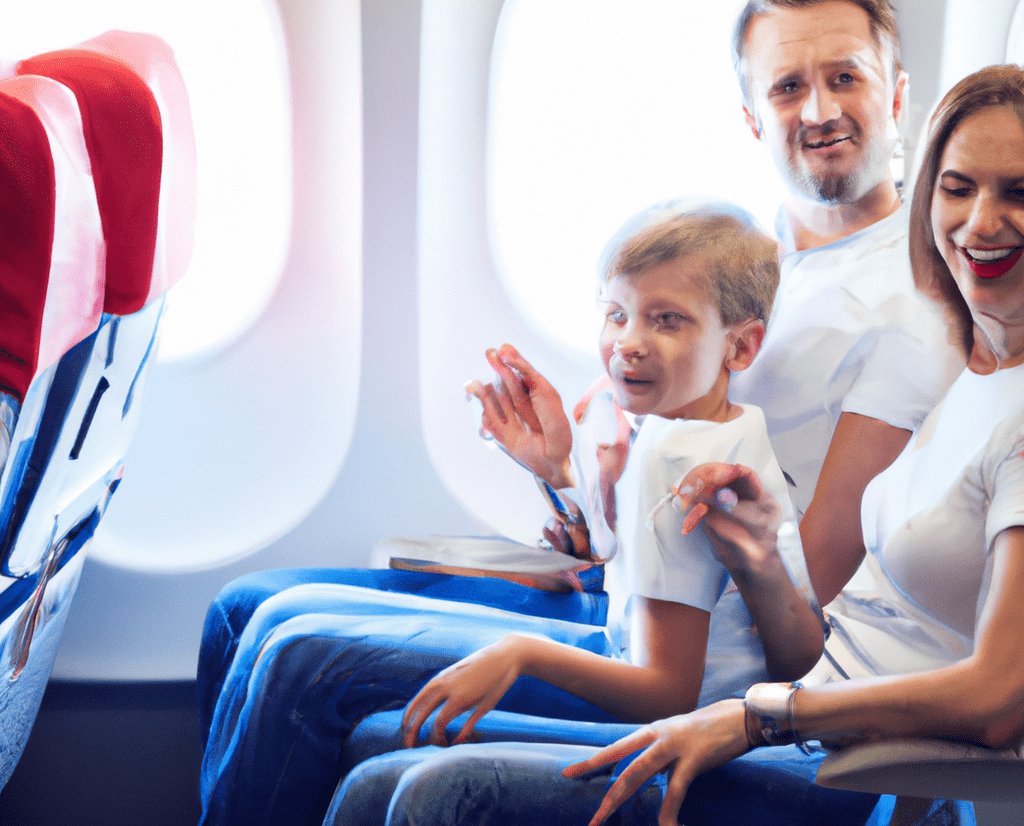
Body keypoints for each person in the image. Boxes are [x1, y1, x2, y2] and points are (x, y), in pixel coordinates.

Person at [197, 204, 824, 826]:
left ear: (740, 345)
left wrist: (522, 652)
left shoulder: (678, 459)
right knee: (290, 636)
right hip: (650, 669)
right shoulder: (720, 429)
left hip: (679, 722)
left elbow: (667, 692)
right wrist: (561, 477)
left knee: (302, 655)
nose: (629, 343)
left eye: (667, 321)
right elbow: (655, 580)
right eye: (616, 314)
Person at [523, 63, 1024, 826]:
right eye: (958, 188)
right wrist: (755, 561)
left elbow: (998, 699)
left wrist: (760, 717)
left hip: (848, 772)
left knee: (399, 768)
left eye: (1018, 190)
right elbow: (819, 651)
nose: (982, 221)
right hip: (802, 716)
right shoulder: (977, 369)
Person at [561, 0, 963, 609]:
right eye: (786, 88)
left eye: (845, 78)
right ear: (753, 119)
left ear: (894, 99)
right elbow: (636, 516)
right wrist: (564, 476)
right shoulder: (730, 253)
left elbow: (811, 589)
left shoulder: (916, 299)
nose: (819, 111)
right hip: (641, 597)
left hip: (720, 640)